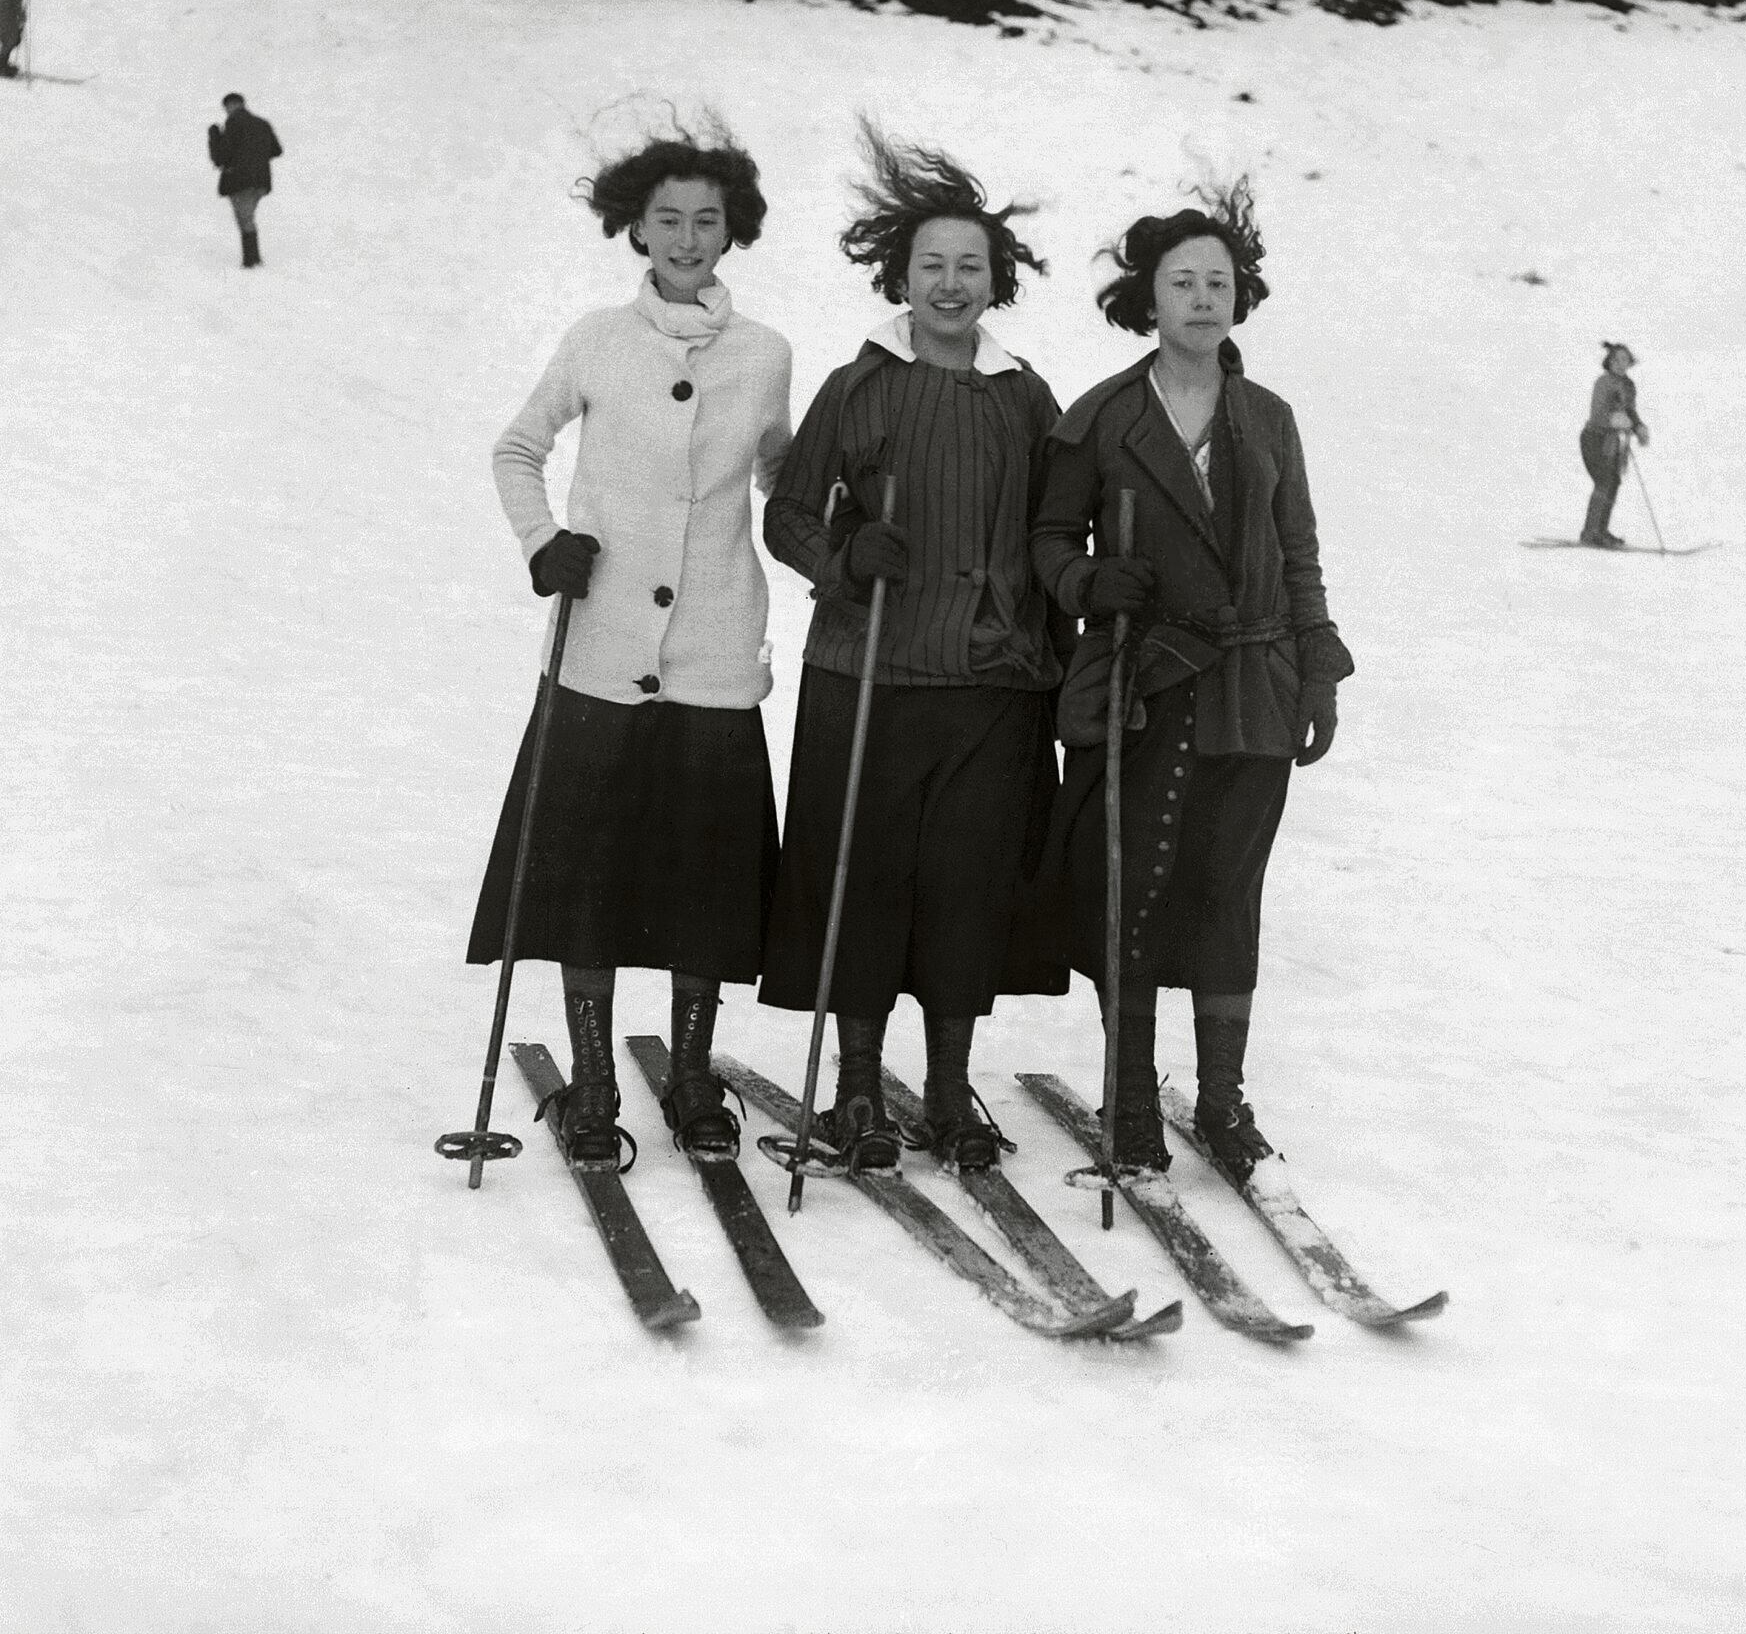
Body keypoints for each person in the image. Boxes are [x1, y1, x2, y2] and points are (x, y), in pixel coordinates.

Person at [470, 125, 794, 1168]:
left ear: (731, 229)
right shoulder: (596, 339)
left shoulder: (764, 354)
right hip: (601, 645)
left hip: (710, 648)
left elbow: (780, 477)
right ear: (636, 229)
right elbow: (519, 448)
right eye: (668, 220)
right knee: (591, 874)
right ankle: (596, 1076)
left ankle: (695, 1074)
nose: (688, 238)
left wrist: (835, 507)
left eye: (706, 220)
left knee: (705, 872)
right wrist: (543, 541)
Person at [758, 120, 1071, 1173]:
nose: (949, 283)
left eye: (968, 267)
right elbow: (789, 516)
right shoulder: (860, 386)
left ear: (998, 281)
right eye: (931, 265)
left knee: (965, 887)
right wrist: (847, 555)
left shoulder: (1028, 397)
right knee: (867, 881)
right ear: (900, 275)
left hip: (993, 684)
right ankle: (855, 1088)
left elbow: (1057, 531)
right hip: (871, 670)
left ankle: (945, 1088)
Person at [1028, 184, 1353, 1177]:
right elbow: (1047, 538)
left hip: (1255, 687)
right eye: (1183, 282)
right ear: (1150, 297)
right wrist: (1088, 578)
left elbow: (1297, 550)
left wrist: (1319, 662)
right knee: (1136, 887)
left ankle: (1221, 1101)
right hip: (1146, 683)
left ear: (1237, 297)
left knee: (1228, 891)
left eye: (1218, 282)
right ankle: (1130, 1100)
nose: (1202, 299)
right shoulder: (1102, 416)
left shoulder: (1269, 419)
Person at [1578, 341, 1649, 548]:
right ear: (1609, 361)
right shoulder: (1603, 382)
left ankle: (1601, 530)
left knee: (1613, 482)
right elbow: (1598, 413)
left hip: (1613, 442)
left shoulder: (1629, 385)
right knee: (1604, 481)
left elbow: (1631, 412)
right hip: (1595, 438)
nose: (1620, 364)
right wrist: (1615, 420)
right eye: (1616, 360)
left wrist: (1638, 428)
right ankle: (1590, 532)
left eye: (1625, 360)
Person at [206, 94, 282, 267]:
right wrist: (256, 155)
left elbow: (220, 157)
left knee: (245, 220)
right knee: (247, 217)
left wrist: (214, 136)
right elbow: (277, 150)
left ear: (230, 106)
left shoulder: (233, 123)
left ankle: (252, 262)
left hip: (239, 181)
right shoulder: (263, 123)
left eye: (226, 108)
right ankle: (252, 261)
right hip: (261, 181)